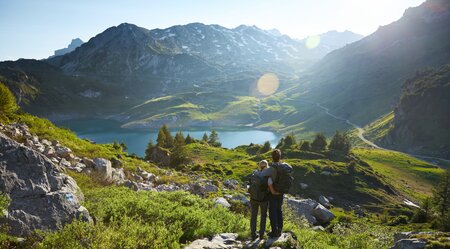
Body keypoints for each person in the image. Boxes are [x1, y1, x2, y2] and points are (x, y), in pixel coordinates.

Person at [263, 149, 293, 238]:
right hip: (281, 192)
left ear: (272, 157)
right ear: (280, 157)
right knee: (279, 210)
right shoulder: (284, 167)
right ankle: (280, 230)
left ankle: (274, 232)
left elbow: (262, 175)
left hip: (273, 193)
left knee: (272, 211)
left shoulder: (271, 168)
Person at [248, 160, 270, 241]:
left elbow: (249, 185)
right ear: (267, 166)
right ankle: (261, 234)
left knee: (253, 216)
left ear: (259, 166)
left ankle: (253, 234)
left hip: (253, 198)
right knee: (263, 216)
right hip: (263, 199)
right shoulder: (267, 175)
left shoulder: (255, 174)